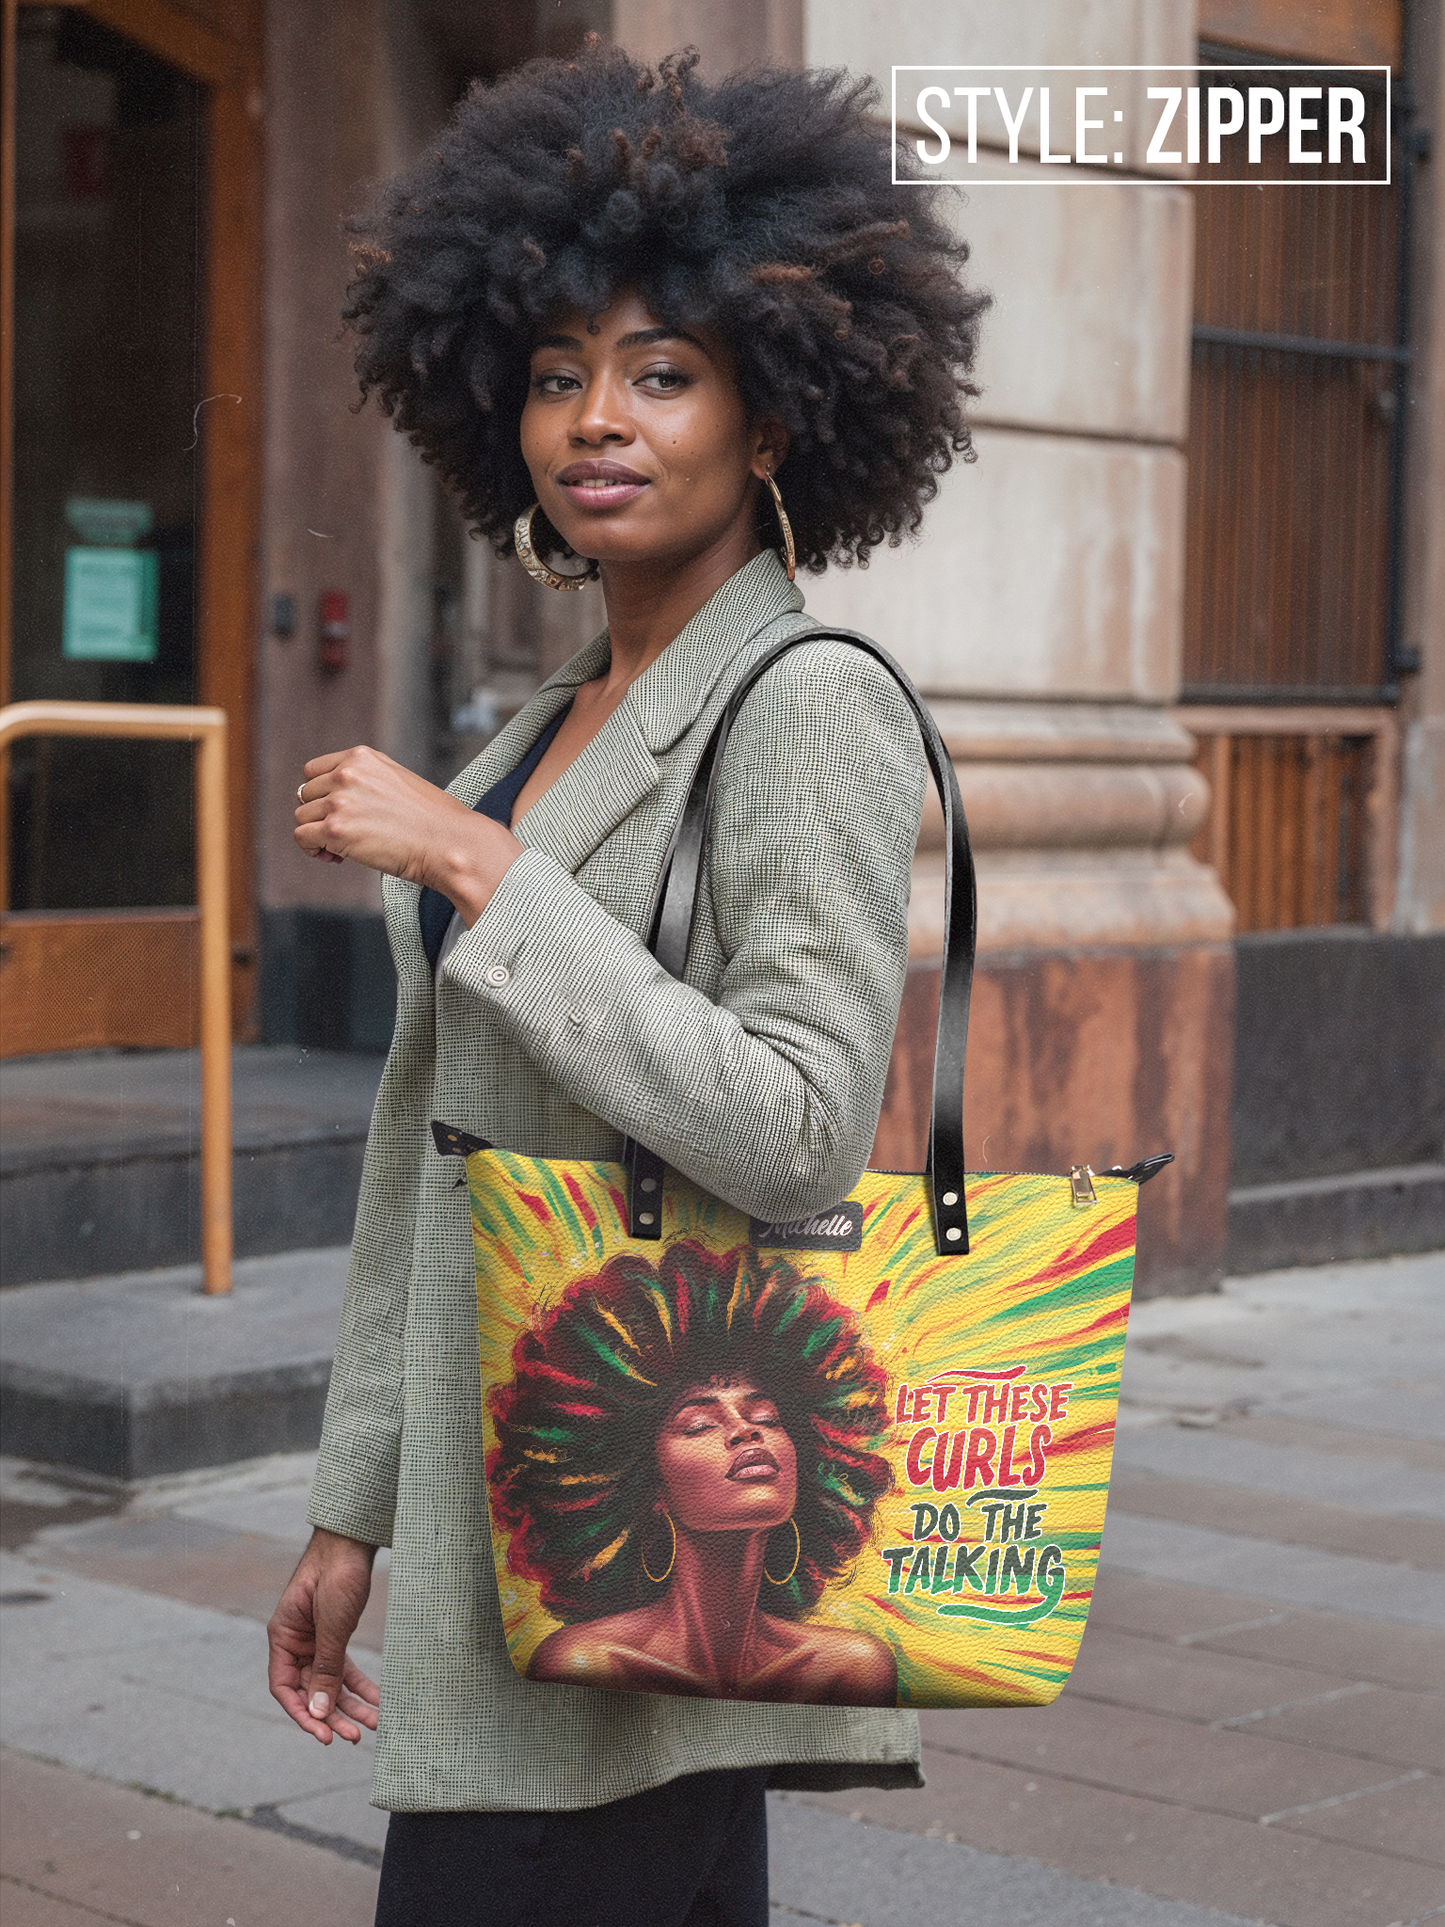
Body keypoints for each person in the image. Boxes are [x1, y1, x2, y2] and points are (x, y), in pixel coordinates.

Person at [266, 38, 985, 1927]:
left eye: (663, 373)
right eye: (558, 373)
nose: (598, 417)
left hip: (627, 1516)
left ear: (772, 421)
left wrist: (482, 873)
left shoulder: (804, 702)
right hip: (509, 1531)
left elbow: (799, 1121)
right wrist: (357, 1504)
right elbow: (430, 1155)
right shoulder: (535, 727)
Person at [488, 1239, 896, 1705]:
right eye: (699, 1424)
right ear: (649, 1487)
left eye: (767, 1418)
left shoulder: (852, 1665)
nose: (746, 1431)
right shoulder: (585, 1662)